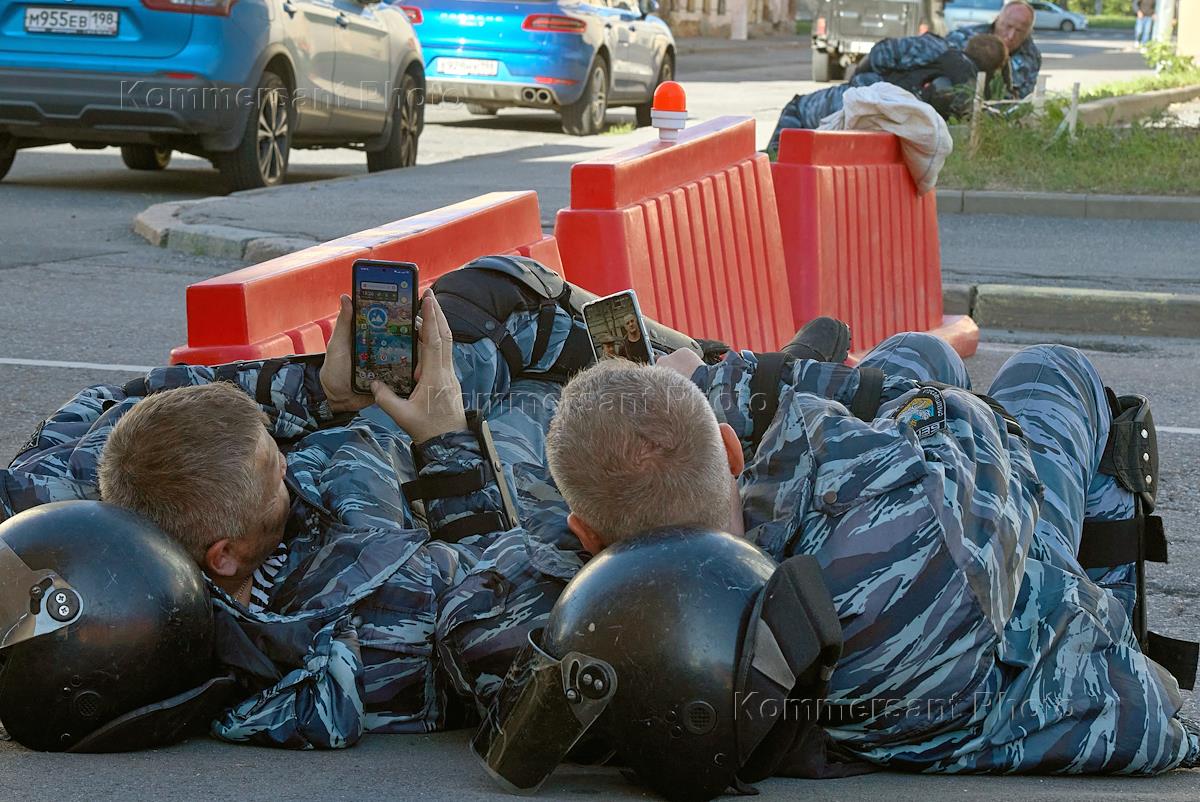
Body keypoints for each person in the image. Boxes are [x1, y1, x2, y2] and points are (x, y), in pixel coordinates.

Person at [539, 333, 1199, 774]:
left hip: (921, 685)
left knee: (914, 351)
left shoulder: (590, 639)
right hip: (1063, 675)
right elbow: (972, 423)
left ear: (586, 535)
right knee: (1048, 371)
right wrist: (734, 376)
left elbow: (454, 623)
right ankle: (1109, 613)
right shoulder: (906, 516)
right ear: (732, 449)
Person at [0, 258, 589, 749]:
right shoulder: (344, 626)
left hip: (412, 418)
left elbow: (121, 398)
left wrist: (320, 395)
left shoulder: (90, 475)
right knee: (590, 372)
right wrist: (445, 443)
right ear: (224, 557)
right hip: (511, 482)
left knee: (502, 289)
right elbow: (490, 594)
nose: (288, 461)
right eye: (274, 474)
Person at [768, 33, 1008, 151]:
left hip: (864, 99)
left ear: (969, 45)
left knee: (797, 109)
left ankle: (772, 166)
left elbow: (880, 54)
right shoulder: (974, 96)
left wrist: (858, 80)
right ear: (994, 69)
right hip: (890, 132)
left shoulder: (936, 48)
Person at [946, 0, 1041, 98]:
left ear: (1029, 32)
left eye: (1019, 31)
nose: (1011, 36)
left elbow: (1024, 100)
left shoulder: (1031, 56)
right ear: (997, 20)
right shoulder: (962, 38)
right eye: (1008, 26)